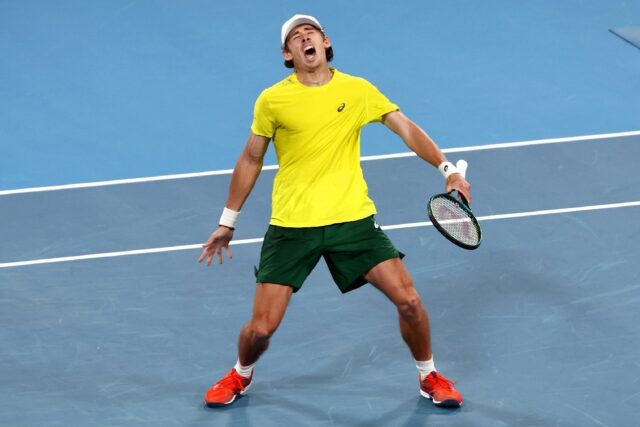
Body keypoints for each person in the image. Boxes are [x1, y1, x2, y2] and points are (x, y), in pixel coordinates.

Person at [198, 14, 471, 409]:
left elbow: (405, 127)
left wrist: (447, 170)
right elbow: (251, 158)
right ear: (287, 55)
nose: (305, 37)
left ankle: (429, 374)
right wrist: (228, 222)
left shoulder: (357, 90)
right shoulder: (273, 99)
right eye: (295, 36)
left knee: (410, 302)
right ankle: (240, 373)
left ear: (326, 43)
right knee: (261, 330)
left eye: (311, 32)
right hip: (293, 226)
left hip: (352, 220)